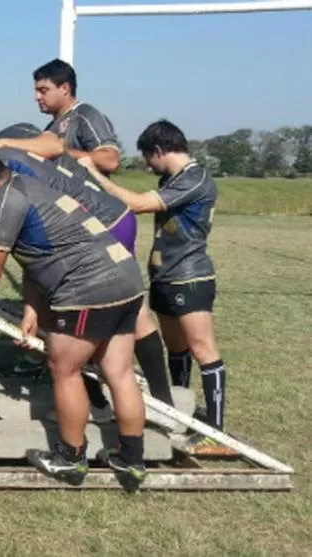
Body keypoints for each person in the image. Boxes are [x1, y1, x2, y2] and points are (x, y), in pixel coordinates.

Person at [0, 126, 176, 416]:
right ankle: (136, 401)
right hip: (106, 218)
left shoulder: (1, 164)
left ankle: (141, 405)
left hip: (98, 224)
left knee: (98, 315)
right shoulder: (1, 164)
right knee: (119, 315)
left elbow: (54, 145)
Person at [0, 151, 148, 488]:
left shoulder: (7, 200)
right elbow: (37, 258)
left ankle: (70, 459)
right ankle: (131, 460)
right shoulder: (28, 186)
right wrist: (32, 310)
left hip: (87, 290)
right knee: (119, 372)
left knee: (65, 370)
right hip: (126, 281)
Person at [78, 119, 229, 453]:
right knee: (177, 351)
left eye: (148, 157)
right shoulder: (170, 178)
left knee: (204, 350)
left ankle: (217, 434)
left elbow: (139, 204)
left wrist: (95, 175)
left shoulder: (195, 178)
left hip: (190, 276)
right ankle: (177, 411)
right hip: (165, 276)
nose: (147, 164)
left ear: (159, 150)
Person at [32, 59, 121, 174]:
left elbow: (110, 161)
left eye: (43, 91)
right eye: (36, 91)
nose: (37, 97)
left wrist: (59, 152)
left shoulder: (86, 116)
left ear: (65, 88)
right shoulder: (51, 127)